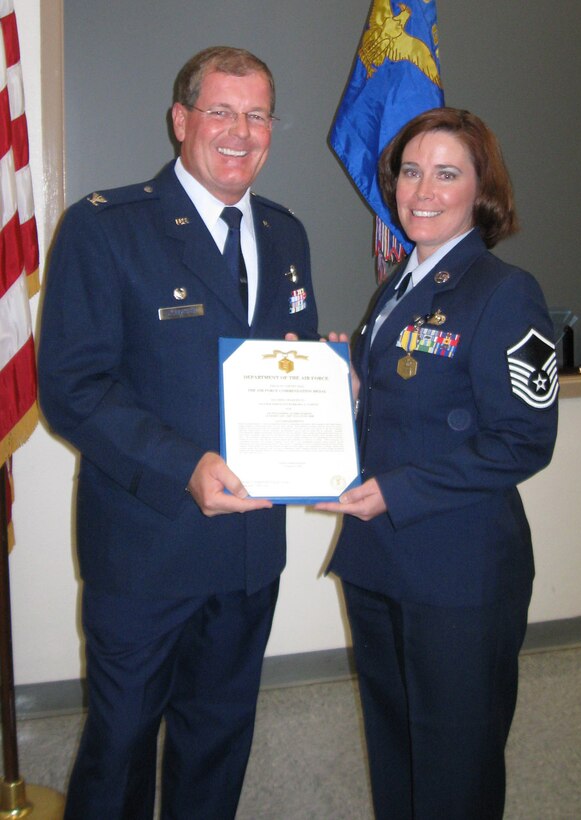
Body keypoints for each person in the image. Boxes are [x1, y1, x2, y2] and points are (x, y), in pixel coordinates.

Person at [38, 46, 318, 820]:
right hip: (146, 545)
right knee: (122, 742)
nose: (239, 131)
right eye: (220, 111)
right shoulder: (106, 228)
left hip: (251, 546)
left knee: (219, 737)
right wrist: (182, 465)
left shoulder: (285, 233)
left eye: (256, 114)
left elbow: (286, 366)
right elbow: (74, 389)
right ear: (181, 120)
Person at [316, 108, 558, 819]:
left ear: (481, 189)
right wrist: (351, 386)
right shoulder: (397, 285)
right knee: (394, 745)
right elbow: (402, 401)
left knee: (455, 761)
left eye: (446, 172)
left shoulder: (504, 291)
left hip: (459, 573)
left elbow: (522, 439)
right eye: (410, 171)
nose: (422, 189)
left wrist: (395, 489)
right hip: (379, 560)